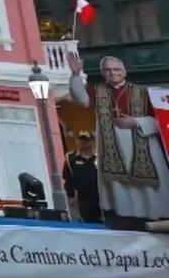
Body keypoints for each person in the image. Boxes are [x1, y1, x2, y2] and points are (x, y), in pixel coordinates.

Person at [65, 53, 169, 229]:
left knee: (149, 189)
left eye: (116, 69)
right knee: (120, 188)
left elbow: (161, 121)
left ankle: (156, 216)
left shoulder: (144, 93)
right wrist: (75, 74)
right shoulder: (98, 91)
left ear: (124, 72)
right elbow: (80, 97)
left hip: (144, 144)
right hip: (112, 147)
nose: (113, 73)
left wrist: (136, 122)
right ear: (103, 74)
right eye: (108, 70)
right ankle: (127, 219)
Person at [63, 130, 103, 225]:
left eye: (86, 140)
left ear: (92, 141)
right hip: (82, 197)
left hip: (99, 196)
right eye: (80, 140)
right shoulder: (71, 158)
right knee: (85, 222)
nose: (83, 143)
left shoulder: (100, 157)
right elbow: (68, 178)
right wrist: (71, 196)